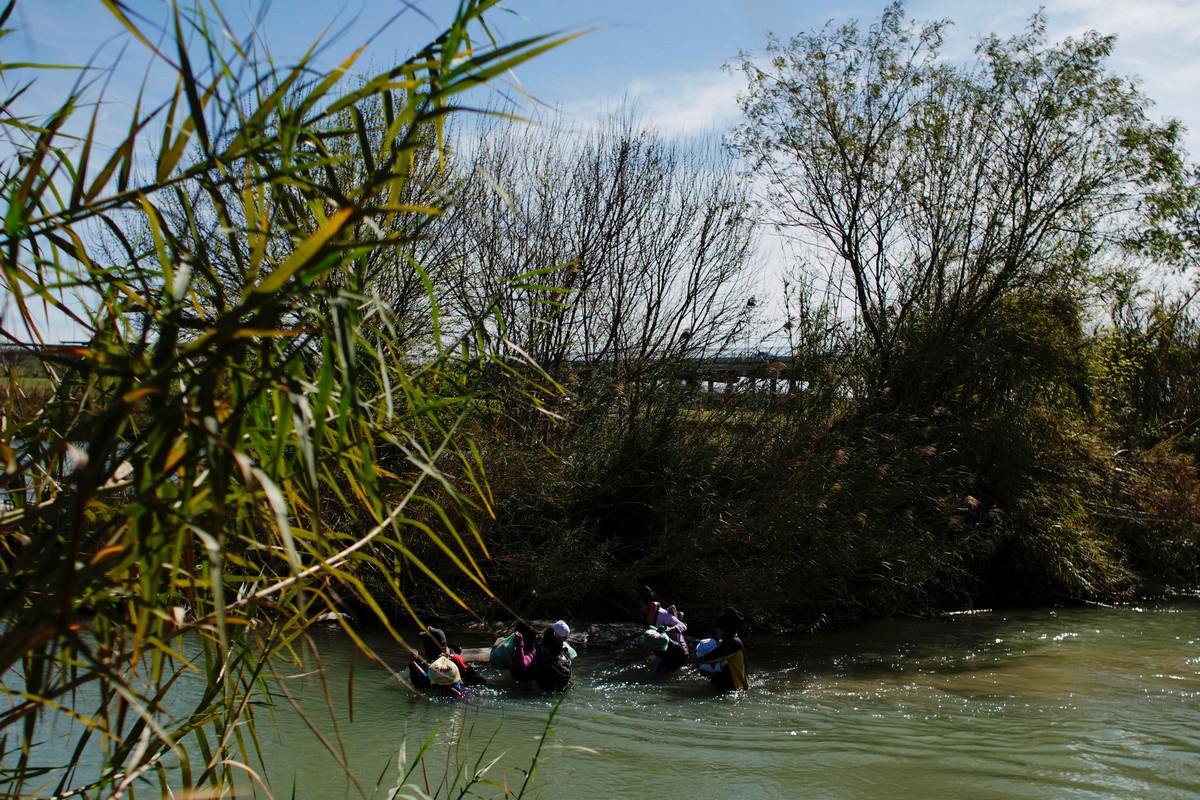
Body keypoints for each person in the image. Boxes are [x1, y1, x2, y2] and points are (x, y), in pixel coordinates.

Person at [695, 606, 748, 691]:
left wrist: (699, 660)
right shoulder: (729, 640)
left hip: (735, 688)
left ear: (726, 629)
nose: (715, 629)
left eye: (718, 627)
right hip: (729, 686)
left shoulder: (733, 643)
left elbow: (715, 656)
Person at [511, 620, 572, 693]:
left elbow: (520, 668)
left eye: (542, 644)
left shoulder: (541, 667)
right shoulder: (567, 661)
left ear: (546, 649)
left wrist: (519, 645)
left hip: (541, 694)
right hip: (559, 691)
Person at [639, 586, 689, 673]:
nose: (641, 609)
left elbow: (683, 626)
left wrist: (667, 629)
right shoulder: (653, 616)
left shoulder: (663, 615)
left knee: (656, 676)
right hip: (667, 651)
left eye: (642, 606)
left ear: (649, 605)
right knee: (651, 670)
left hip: (679, 653)